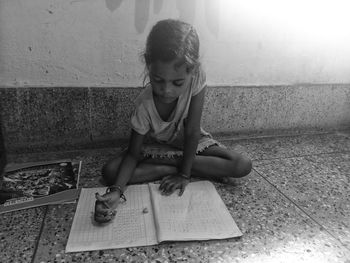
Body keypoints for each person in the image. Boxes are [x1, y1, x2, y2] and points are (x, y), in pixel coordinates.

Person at [94, 19, 252, 223]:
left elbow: (193, 131)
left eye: (177, 83)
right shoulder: (144, 106)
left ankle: (175, 166)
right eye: (158, 80)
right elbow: (133, 154)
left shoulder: (197, 79)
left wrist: (184, 175)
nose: (166, 90)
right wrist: (116, 191)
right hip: (154, 147)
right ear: (148, 64)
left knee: (242, 165)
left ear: (193, 71)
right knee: (110, 171)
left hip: (190, 143)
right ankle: (170, 168)